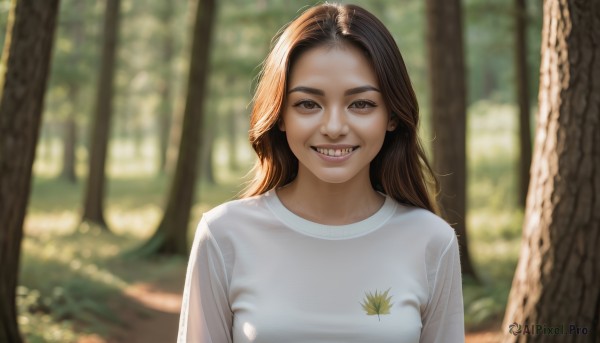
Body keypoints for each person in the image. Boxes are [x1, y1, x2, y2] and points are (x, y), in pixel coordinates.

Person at [177, 3, 464, 342]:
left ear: (392, 117)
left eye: (361, 104)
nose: (333, 127)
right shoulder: (223, 235)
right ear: (281, 115)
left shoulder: (431, 241)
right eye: (308, 104)